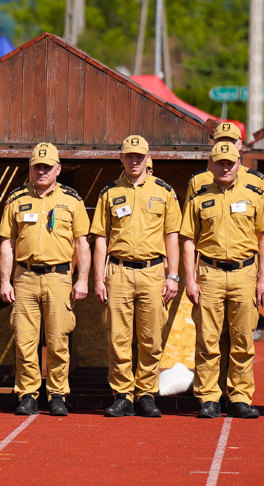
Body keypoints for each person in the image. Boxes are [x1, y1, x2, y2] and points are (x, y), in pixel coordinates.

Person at [91, 136, 182, 417]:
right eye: (129, 156)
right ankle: (123, 395)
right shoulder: (109, 193)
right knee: (118, 337)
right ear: (121, 157)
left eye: (139, 156)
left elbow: (172, 237)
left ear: (147, 157)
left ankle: (146, 393)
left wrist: (173, 276)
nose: (134, 161)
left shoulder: (164, 192)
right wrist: (98, 278)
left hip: (154, 273)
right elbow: (101, 239)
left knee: (151, 337)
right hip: (118, 272)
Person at [180, 142, 264, 419]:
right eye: (219, 162)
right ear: (210, 165)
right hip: (209, 274)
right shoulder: (199, 196)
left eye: (230, 162)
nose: (225, 167)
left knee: (243, 340)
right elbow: (188, 240)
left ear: (238, 163)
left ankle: (241, 397)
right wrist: (190, 279)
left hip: (245, 274)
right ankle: (209, 397)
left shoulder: (255, 193)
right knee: (208, 340)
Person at [0, 143, 90, 416]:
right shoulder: (15, 199)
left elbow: (81, 243)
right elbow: (7, 244)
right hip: (25, 277)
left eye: (47, 167)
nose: (41, 171)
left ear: (58, 169)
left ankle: (57, 393)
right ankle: (27, 393)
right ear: (30, 168)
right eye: (37, 166)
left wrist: (82, 279)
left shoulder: (72, 200)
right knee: (25, 341)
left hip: (59, 277)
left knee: (58, 340)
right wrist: (5, 281)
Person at [185, 122, 264, 203]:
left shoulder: (257, 180)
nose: (226, 147)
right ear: (214, 144)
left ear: (240, 144)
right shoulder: (197, 180)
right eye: (221, 142)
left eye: (231, 142)